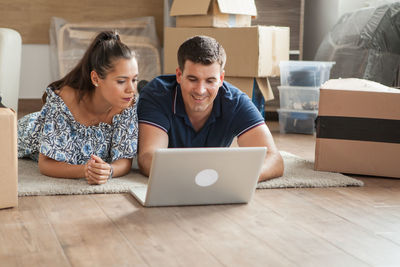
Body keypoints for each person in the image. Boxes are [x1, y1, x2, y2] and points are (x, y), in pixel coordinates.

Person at [137, 35, 284, 182]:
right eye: (193, 79)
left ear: (221, 79)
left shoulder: (235, 102)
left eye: (210, 81)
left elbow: (274, 159)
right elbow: (147, 157)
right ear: (179, 75)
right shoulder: (156, 95)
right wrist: (194, 177)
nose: (200, 90)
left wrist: (240, 177)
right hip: (175, 170)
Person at [18, 31, 139, 185]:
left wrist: (109, 170)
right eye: (121, 81)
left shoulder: (128, 104)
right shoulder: (64, 99)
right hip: (27, 130)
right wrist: (85, 171)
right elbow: (46, 164)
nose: (131, 89)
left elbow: (124, 160)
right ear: (96, 78)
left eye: (134, 79)